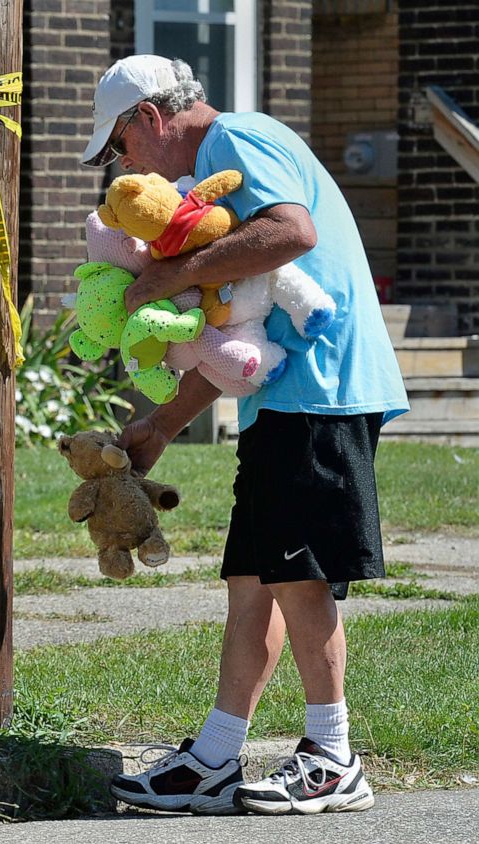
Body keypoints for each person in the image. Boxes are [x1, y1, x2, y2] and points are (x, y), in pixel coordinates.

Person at [80, 54, 409, 816]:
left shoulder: (234, 140)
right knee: (254, 579)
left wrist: (164, 278)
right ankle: (215, 759)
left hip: (320, 391)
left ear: (152, 120)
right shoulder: (217, 184)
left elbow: (292, 233)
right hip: (286, 396)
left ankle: (333, 756)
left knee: (298, 572)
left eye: (119, 148)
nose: (123, 168)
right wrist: (161, 425)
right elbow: (240, 327)